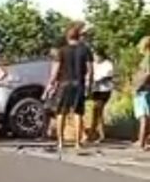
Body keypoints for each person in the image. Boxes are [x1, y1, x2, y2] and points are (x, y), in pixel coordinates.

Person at [47, 23, 93, 155]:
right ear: (79, 37)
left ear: (67, 37)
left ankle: (60, 142)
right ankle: (77, 143)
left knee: (61, 112)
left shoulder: (62, 51)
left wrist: (51, 83)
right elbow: (90, 70)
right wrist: (89, 85)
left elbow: (56, 70)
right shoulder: (85, 50)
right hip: (79, 83)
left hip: (64, 83)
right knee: (78, 113)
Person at [89, 50, 115, 145]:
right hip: (95, 90)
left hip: (104, 90)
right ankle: (94, 133)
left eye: (96, 56)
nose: (95, 58)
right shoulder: (94, 64)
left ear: (101, 56)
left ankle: (100, 134)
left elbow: (108, 76)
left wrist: (98, 81)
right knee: (95, 111)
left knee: (98, 110)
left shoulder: (108, 64)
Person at [134, 72, 150, 150]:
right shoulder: (147, 75)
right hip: (143, 100)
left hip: (144, 99)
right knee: (145, 122)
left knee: (147, 123)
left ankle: (144, 142)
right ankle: (142, 144)